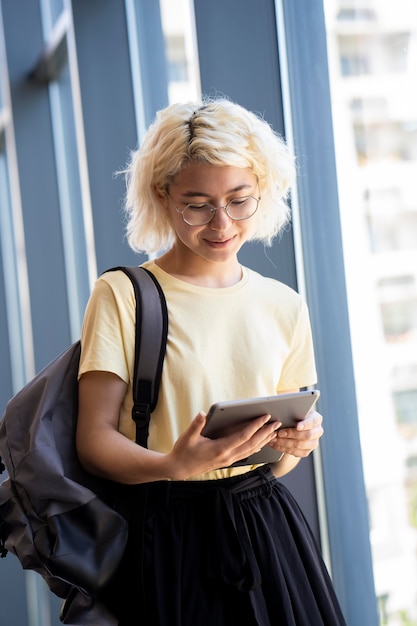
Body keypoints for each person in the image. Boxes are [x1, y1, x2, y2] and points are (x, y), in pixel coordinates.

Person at [76, 98, 347, 625]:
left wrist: (297, 444)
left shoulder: (284, 303)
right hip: (167, 530)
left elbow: (278, 459)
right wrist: (172, 465)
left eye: (240, 200)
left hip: (267, 528)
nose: (222, 223)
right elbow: (93, 440)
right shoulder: (125, 294)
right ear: (163, 195)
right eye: (197, 204)